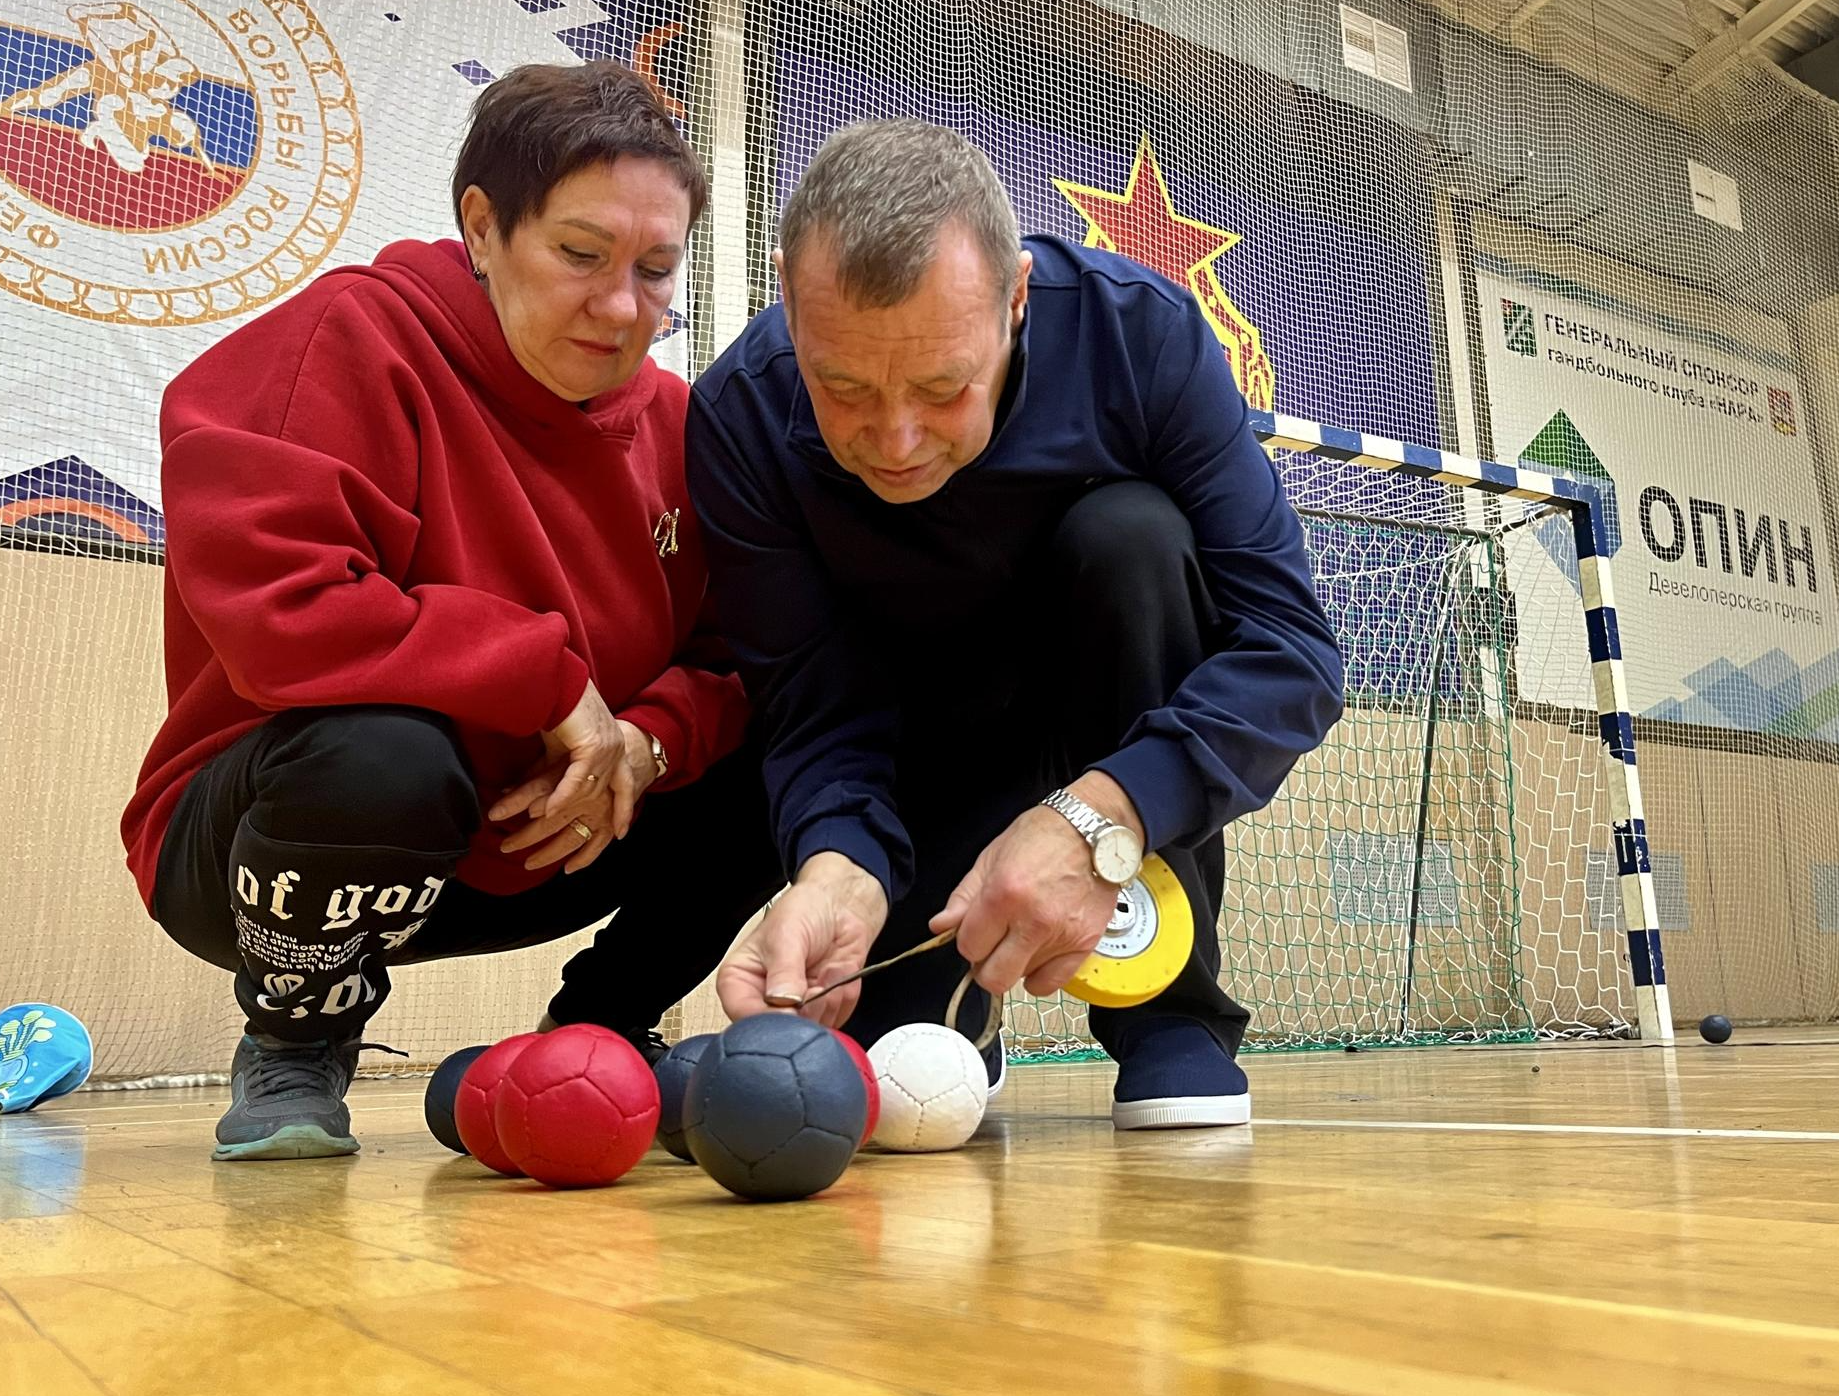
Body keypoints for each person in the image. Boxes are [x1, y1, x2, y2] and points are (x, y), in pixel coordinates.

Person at [120, 61, 781, 1161]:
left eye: (656, 270)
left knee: (789, 744)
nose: (622, 308)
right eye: (579, 254)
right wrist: (549, 679)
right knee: (381, 749)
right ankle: (297, 1039)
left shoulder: (680, 424)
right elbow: (283, 614)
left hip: (530, 840)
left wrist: (645, 743)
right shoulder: (351, 336)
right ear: (483, 227)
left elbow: (734, 657)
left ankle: (603, 1037)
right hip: (265, 843)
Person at [687, 120, 1344, 1129]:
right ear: (787, 295)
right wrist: (835, 863)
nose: (895, 440)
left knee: (1131, 535)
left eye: (944, 387)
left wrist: (1104, 816)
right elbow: (813, 702)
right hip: (918, 732)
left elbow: (1292, 650)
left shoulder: (1146, 336)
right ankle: (950, 1010)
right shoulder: (737, 416)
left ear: (1018, 297)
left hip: (1109, 712)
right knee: (903, 1056)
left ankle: (1171, 1016)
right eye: (844, 387)